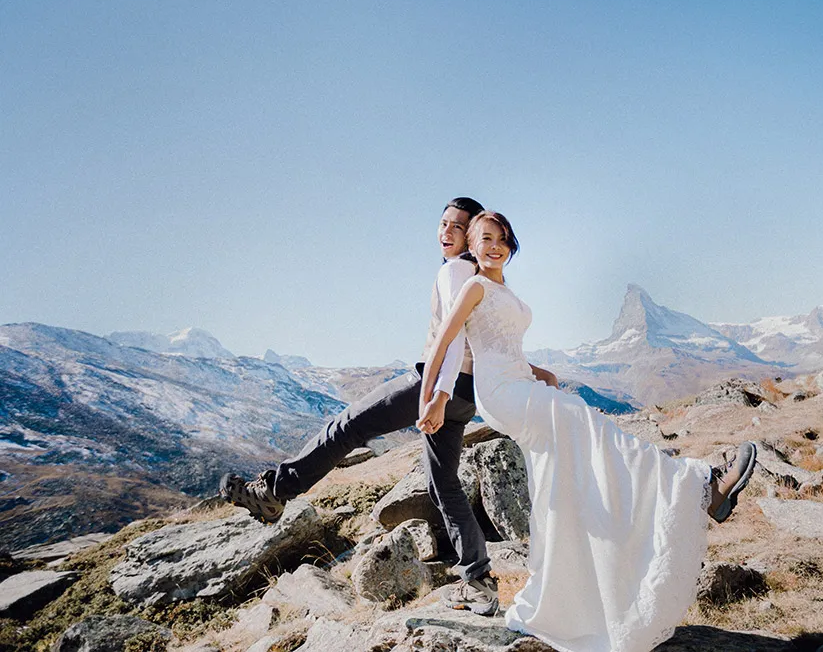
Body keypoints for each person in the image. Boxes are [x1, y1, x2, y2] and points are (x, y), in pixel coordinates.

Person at [417, 211, 757, 652]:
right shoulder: (474, 285)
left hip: (519, 383)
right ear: (472, 246)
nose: (495, 245)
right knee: (591, 426)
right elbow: (445, 341)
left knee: (566, 478)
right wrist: (433, 399)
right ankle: (700, 485)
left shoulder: (503, 290)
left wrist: (541, 373)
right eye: (485, 239)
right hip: (500, 393)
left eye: (502, 238)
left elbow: (505, 345)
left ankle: (565, 601)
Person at [221, 198, 557, 616]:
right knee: (444, 485)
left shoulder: (456, 271)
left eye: (457, 227)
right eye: (443, 224)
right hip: (469, 395)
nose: (446, 232)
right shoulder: (483, 276)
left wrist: (437, 393)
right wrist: (535, 372)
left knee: (347, 427)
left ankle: (274, 492)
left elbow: (451, 340)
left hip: (439, 386)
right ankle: (479, 581)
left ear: (470, 236)